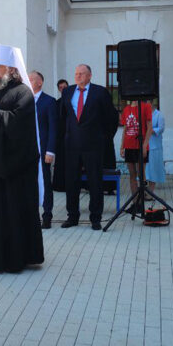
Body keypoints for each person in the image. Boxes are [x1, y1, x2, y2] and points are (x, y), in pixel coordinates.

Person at [0, 44, 44, 273]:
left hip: (18, 165)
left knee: (15, 210)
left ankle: (18, 257)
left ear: (12, 69)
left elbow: (17, 123)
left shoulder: (24, 92)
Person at [60, 64, 119, 230]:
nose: (78, 76)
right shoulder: (68, 92)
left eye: (81, 74)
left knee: (95, 182)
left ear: (90, 76)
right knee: (71, 182)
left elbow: (111, 118)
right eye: (76, 73)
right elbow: (63, 117)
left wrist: (104, 139)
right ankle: (72, 217)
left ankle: (95, 218)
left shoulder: (100, 92)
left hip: (93, 146)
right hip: (72, 146)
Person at [29, 71, 58, 229]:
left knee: (46, 184)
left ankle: (47, 216)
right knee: (29, 184)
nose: (29, 81)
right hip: (27, 151)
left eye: (32, 79)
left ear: (40, 82)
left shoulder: (49, 101)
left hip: (43, 151)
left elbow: (53, 128)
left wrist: (50, 151)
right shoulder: (25, 100)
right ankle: (31, 215)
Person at [119, 100, 152, 201]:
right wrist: (122, 146)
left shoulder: (145, 106)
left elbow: (149, 127)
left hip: (140, 145)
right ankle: (135, 200)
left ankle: (143, 197)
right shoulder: (126, 109)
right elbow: (125, 129)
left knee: (140, 172)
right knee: (132, 174)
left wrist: (145, 144)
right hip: (129, 145)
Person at [52, 79, 69, 192]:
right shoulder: (56, 103)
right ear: (59, 89)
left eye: (65, 87)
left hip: (71, 136)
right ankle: (59, 185)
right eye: (61, 87)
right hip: (60, 137)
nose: (63, 89)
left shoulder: (73, 101)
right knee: (60, 161)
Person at [146, 100, 166, 196]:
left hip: (155, 146)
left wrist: (150, 130)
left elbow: (161, 128)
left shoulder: (159, 115)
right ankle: (146, 191)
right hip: (146, 145)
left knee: (153, 169)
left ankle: (151, 192)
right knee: (146, 169)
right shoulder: (145, 114)